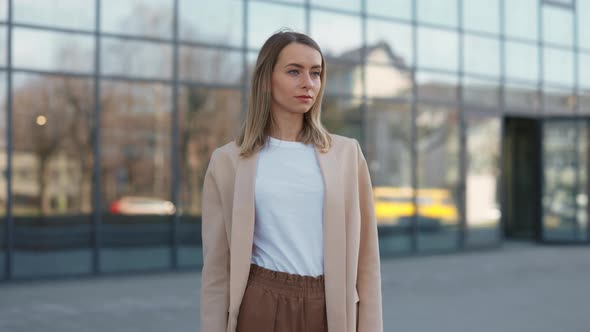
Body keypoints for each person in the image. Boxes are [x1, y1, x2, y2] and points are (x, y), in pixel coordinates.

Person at [200, 29, 383, 332]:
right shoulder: (228, 161)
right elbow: (217, 269)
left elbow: (368, 263)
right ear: (266, 79)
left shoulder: (347, 155)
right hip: (259, 302)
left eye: (316, 73)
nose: (308, 83)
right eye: (294, 71)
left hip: (330, 306)